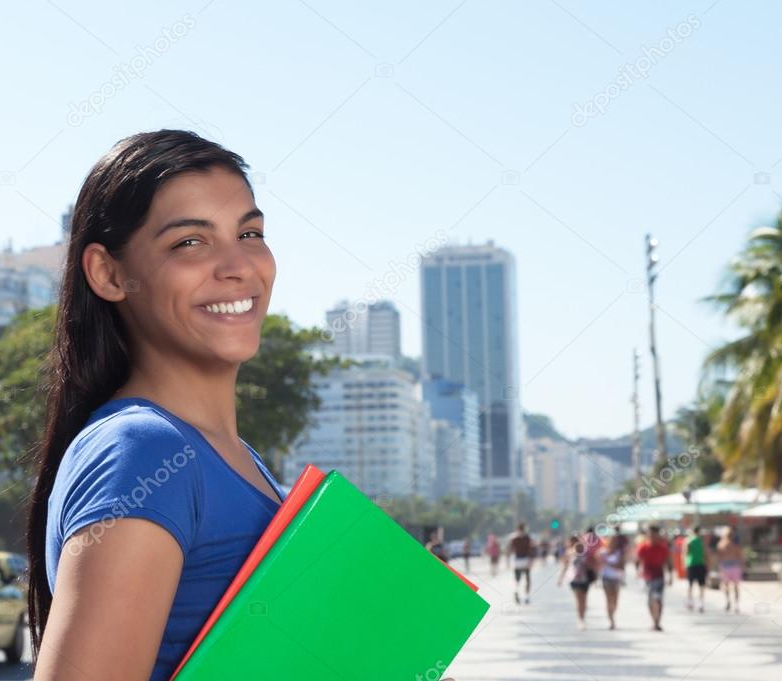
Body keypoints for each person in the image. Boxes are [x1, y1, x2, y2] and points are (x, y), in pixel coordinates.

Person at [23, 132, 466, 681]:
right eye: (190, 242)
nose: (238, 265)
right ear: (110, 274)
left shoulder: (239, 461)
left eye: (250, 232)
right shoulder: (141, 451)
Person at [636, 524, 672, 631]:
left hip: (659, 576)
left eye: (654, 534)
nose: (652, 536)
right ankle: (653, 620)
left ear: (657, 534)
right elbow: (638, 560)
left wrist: (670, 576)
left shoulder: (663, 547)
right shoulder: (643, 547)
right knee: (650, 601)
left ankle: (657, 622)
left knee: (658, 599)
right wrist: (637, 571)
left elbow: (668, 562)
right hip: (647, 577)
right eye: (650, 534)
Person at [558, 534, 594, 630]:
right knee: (579, 599)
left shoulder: (586, 552)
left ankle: (582, 617)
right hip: (574, 579)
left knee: (584, 600)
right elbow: (565, 566)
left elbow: (592, 564)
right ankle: (580, 620)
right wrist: (560, 579)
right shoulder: (569, 553)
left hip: (585, 578)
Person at [599, 525, 629, 630]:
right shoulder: (602, 552)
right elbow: (598, 563)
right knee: (608, 599)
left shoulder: (618, 553)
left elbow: (620, 565)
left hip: (616, 578)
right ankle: (611, 620)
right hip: (606, 578)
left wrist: (608, 563)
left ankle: (613, 613)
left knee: (615, 600)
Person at [718, 528, 744, 613]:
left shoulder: (722, 544)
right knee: (736, 586)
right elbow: (740, 556)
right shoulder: (735, 544)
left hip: (726, 566)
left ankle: (728, 601)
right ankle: (736, 604)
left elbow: (720, 556)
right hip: (735, 566)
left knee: (726, 586)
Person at [508, 523, 533, 604]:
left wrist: (508, 561)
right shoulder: (527, 538)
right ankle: (526, 596)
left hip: (517, 560)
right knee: (527, 579)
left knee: (517, 579)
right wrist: (531, 560)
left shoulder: (514, 538)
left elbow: (510, 549)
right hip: (525, 559)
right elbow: (530, 549)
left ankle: (516, 591)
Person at [685, 525, 708, 612]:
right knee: (701, 585)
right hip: (700, 564)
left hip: (691, 564)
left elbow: (686, 552)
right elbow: (706, 553)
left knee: (690, 584)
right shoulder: (701, 541)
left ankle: (690, 602)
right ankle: (701, 603)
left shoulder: (689, 541)